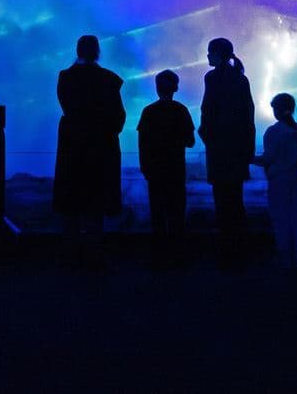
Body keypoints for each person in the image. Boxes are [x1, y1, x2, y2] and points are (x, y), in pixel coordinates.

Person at [52, 35, 126, 262]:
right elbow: (118, 116)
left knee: (71, 203)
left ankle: (71, 254)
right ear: (97, 52)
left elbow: (67, 108)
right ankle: (95, 254)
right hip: (100, 149)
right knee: (96, 203)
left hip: (72, 148)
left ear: (78, 50)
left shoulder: (66, 78)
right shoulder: (108, 79)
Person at [198, 37, 255, 265]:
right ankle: (240, 251)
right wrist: (248, 151)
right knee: (236, 202)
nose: (207, 56)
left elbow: (207, 112)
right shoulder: (241, 79)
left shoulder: (212, 78)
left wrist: (208, 138)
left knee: (222, 204)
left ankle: (226, 254)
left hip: (219, 152)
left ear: (217, 54)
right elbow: (248, 116)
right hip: (237, 152)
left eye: (210, 52)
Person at [137, 69, 195, 266]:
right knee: (177, 213)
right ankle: (178, 256)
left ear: (157, 88)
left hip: (155, 171)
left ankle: (159, 256)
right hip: (176, 170)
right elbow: (191, 142)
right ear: (175, 88)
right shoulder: (181, 110)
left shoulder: (148, 112)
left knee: (158, 214)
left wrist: (145, 167)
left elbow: (142, 143)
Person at [252, 93, 297, 268]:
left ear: (276, 110)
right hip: (296, 179)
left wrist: (249, 158)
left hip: (278, 181)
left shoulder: (274, 132)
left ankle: (285, 257)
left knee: (281, 218)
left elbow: (267, 159)